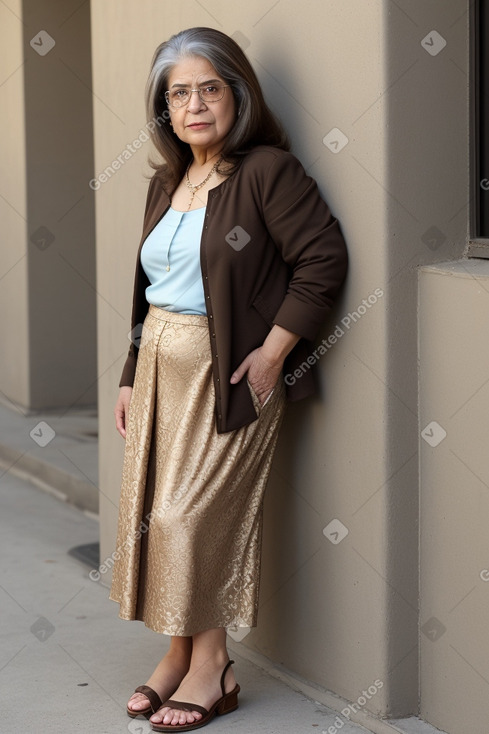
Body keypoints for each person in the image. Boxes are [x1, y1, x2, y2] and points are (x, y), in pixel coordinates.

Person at [110, 26, 348, 733]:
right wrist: (130, 371)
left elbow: (322, 262)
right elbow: (149, 289)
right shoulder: (166, 180)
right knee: (155, 519)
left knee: (191, 520)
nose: (194, 105)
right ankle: (177, 655)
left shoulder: (266, 172)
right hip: (157, 365)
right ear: (164, 110)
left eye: (208, 88)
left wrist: (274, 352)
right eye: (178, 93)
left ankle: (213, 666)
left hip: (229, 373)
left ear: (237, 95)